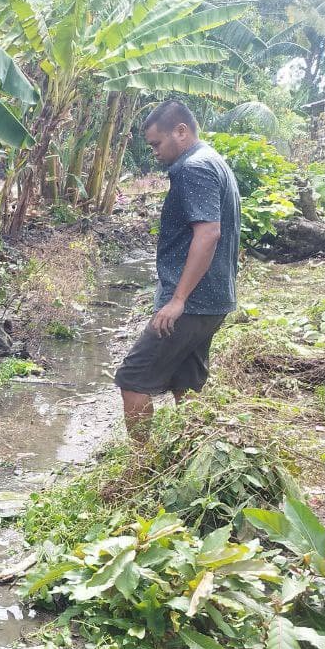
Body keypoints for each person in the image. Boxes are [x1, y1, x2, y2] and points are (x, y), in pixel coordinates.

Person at [113, 100, 241, 438]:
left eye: (157, 143)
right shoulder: (213, 160)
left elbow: (209, 233)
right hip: (213, 299)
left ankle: (142, 462)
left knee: (132, 379)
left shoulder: (193, 168)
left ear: (181, 132)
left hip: (192, 302)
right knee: (187, 382)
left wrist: (178, 299)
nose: (154, 152)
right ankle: (190, 453)